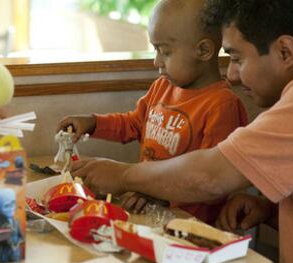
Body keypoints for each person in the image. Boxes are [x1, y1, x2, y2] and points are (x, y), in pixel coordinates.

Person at [70, 0, 293, 263]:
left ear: (285, 50)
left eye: (236, 58)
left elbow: (211, 177)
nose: (231, 75)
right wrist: (270, 212)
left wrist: (123, 176)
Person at [58, 0, 248, 223]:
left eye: (164, 52)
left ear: (204, 50)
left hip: (189, 226)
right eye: (155, 49)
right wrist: (93, 123)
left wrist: (160, 193)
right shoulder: (162, 87)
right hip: (148, 210)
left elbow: (214, 185)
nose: (156, 61)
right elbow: (134, 124)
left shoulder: (222, 105)